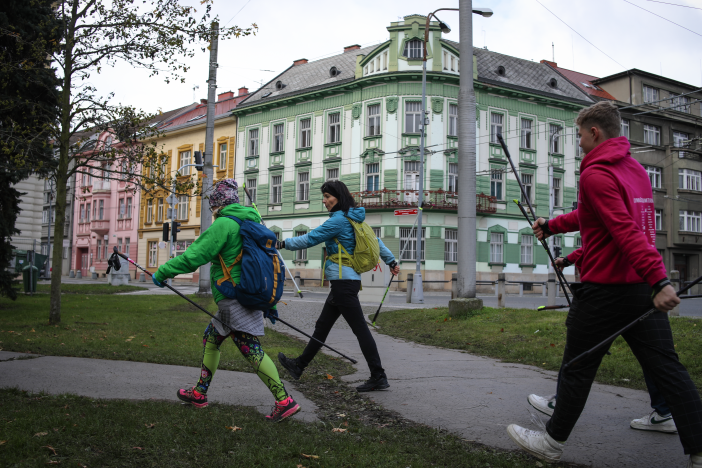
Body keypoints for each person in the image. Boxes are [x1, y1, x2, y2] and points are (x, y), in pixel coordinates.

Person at [505, 101, 702, 466]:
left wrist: (660, 278)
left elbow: (625, 230)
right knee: (669, 371)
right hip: (641, 288)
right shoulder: (635, 170)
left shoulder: (595, 174)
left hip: (606, 290)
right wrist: (553, 225)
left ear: (594, 132)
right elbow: (598, 214)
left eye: (579, 135)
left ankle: (551, 442)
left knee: (577, 365)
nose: (578, 142)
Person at [151, 179, 300, 422]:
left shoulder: (224, 224)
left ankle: (284, 400)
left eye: (212, 206)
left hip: (234, 298)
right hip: (246, 295)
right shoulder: (251, 221)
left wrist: (163, 272)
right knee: (211, 339)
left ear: (217, 204)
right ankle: (199, 393)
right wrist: (268, 303)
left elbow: (195, 255)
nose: (212, 210)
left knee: (250, 349)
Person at [528, 249, 677, 434]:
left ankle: (558, 410)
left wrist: (566, 255)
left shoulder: (618, 221)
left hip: (612, 287)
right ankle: (665, 412)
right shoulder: (645, 219)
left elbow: (604, 238)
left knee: (579, 351)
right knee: (655, 356)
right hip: (642, 284)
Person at [276, 180, 400, 392]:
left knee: (360, 329)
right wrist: (391, 261)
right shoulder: (355, 218)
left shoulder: (339, 220)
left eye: (327, 197)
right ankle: (299, 365)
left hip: (344, 282)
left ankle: (378, 375)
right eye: (323, 197)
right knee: (322, 327)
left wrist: (281, 244)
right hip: (344, 282)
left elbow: (311, 238)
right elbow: (376, 242)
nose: (324, 201)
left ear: (338, 197)